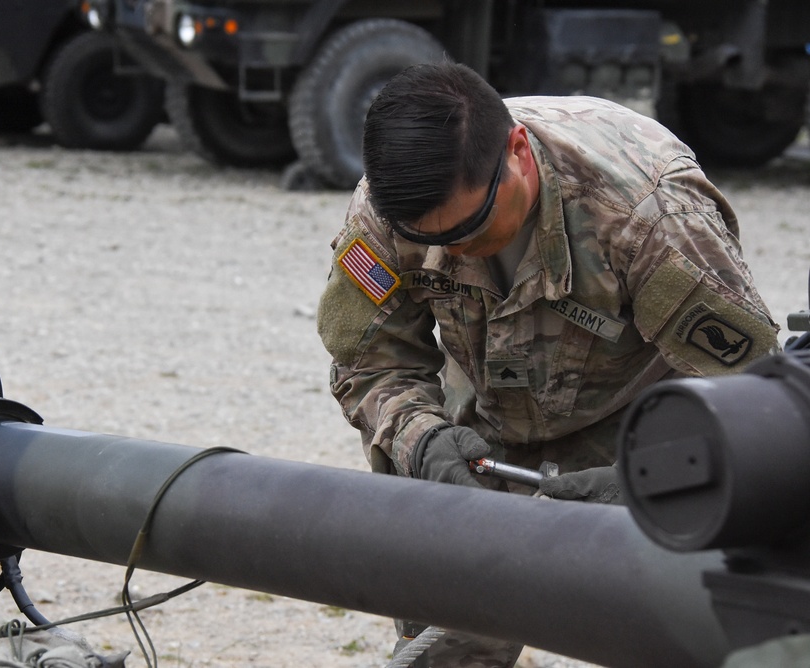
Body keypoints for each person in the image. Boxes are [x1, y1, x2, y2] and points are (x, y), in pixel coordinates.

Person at [316, 61, 780, 667]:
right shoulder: (390, 210)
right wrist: (422, 441)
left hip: (639, 420)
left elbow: (755, 404)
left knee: (679, 627)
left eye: (471, 227)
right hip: (476, 423)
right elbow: (369, 363)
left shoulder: (649, 215)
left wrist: (655, 481)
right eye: (434, 240)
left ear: (517, 152)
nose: (453, 252)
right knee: (449, 634)